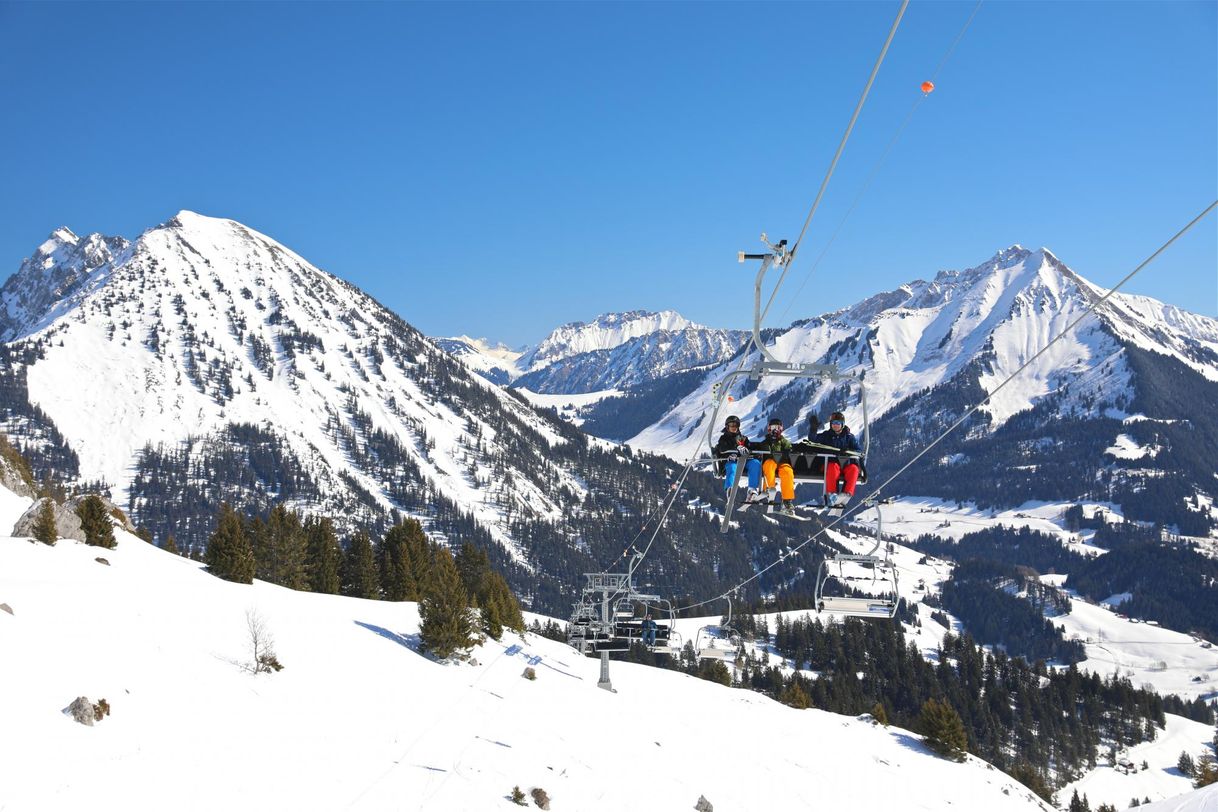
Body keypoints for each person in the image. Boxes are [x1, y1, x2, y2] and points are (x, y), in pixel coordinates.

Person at [816, 411, 862, 506]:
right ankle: (833, 494)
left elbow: (858, 450)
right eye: (833, 423)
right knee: (833, 467)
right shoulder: (826, 435)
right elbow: (813, 439)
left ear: (842, 424)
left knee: (854, 469)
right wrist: (813, 429)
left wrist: (848, 450)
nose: (835, 426)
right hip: (831, 465)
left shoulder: (849, 437)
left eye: (838, 423)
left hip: (845, 464)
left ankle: (846, 493)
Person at [755, 417, 796, 515]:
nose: (775, 430)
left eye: (777, 427)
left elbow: (789, 448)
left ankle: (787, 500)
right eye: (773, 427)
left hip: (782, 462)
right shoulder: (766, 441)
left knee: (788, 472)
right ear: (769, 429)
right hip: (771, 461)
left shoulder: (783, 441)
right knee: (769, 466)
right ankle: (770, 489)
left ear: (781, 429)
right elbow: (763, 449)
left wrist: (787, 451)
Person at [713, 415, 761, 499]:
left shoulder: (743, 438)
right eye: (732, 425)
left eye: (736, 425)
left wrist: (747, 451)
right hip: (731, 461)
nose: (734, 427)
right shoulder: (724, 438)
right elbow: (722, 448)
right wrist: (734, 451)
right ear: (727, 426)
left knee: (755, 463)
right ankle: (730, 489)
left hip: (744, 461)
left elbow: (750, 448)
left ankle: (752, 490)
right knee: (732, 467)